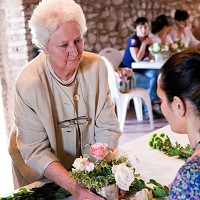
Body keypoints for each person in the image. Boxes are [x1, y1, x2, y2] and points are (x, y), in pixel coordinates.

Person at [8, 0, 121, 199]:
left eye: (78, 40)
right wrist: (75, 187)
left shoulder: (97, 67)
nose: (75, 51)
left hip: (87, 169)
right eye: (63, 45)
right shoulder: (28, 82)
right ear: (44, 47)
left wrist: (93, 175)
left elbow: (107, 127)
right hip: (41, 174)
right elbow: (36, 150)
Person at [157, 48, 200, 199]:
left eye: (160, 100)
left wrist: (182, 187)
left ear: (178, 105)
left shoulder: (190, 178)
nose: (160, 107)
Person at [121, 17, 162, 119]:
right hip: (126, 75)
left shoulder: (147, 39)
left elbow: (152, 56)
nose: (144, 30)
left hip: (139, 71)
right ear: (136, 29)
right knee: (152, 82)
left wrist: (153, 48)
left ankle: (150, 107)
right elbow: (137, 59)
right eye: (141, 27)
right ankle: (149, 108)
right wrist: (144, 44)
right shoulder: (134, 40)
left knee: (154, 74)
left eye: (146, 27)